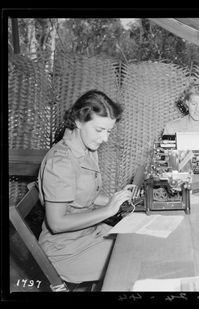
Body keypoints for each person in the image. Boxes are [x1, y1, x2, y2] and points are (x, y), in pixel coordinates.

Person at [37, 90, 132, 285]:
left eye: (109, 131)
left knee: (141, 242)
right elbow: (56, 223)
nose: (105, 138)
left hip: (89, 234)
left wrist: (118, 200)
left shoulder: (87, 149)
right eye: (99, 130)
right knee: (134, 263)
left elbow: (83, 195)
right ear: (79, 121)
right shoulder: (61, 162)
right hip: (66, 252)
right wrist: (108, 210)